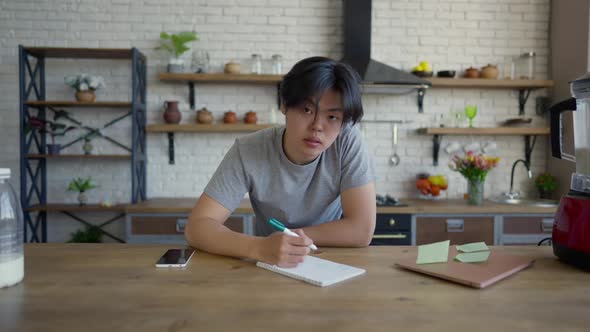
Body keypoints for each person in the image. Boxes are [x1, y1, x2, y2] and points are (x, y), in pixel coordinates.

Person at [185, 56, 376, 267]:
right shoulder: (249, 150)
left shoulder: (347, 141)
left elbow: (362, 230)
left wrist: (294, 238)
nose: (317, 126)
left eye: (332, 117)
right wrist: (259, 247)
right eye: (307, 110)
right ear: (284, 104)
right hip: (272, 262)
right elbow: (197, 227)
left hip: (334, 259)